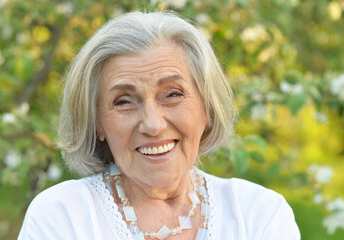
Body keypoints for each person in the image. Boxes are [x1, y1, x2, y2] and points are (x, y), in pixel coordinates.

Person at [18, 11, 300, 240]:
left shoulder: (260, 214)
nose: (152, 124)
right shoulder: (63, 215)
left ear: (207, 107)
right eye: (124, 101)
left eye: (172, 94)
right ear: (97, 124)